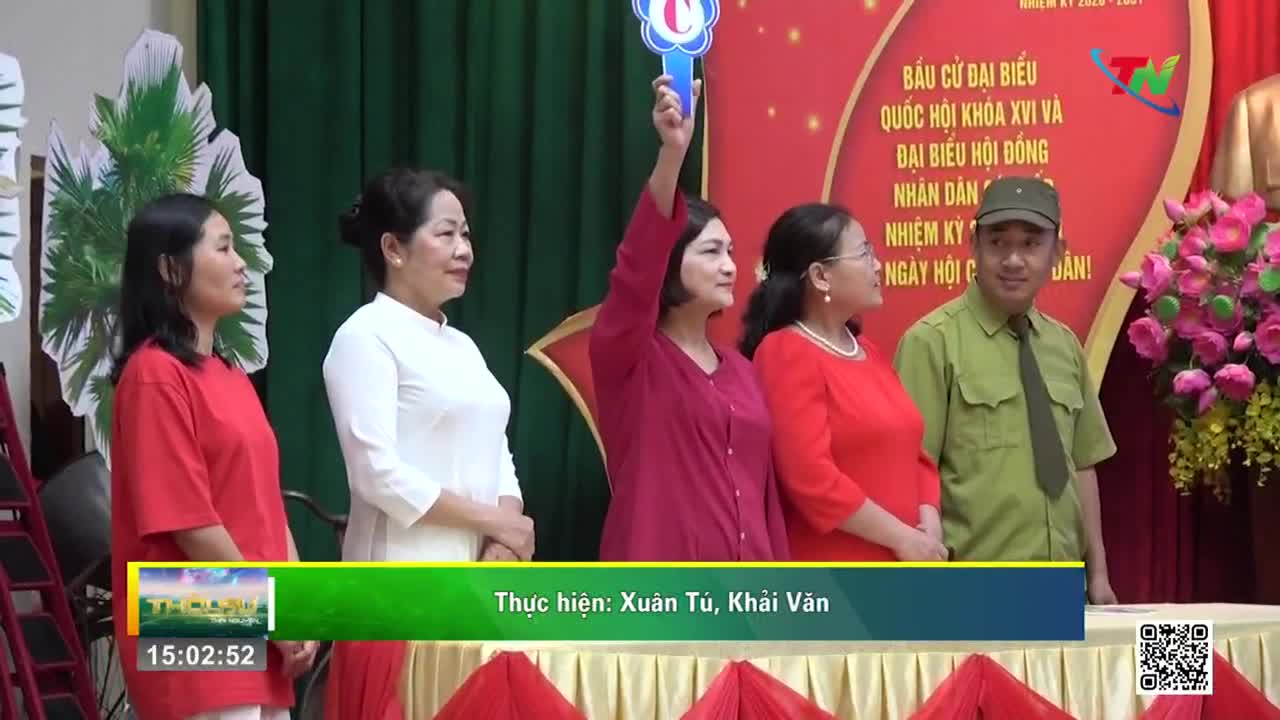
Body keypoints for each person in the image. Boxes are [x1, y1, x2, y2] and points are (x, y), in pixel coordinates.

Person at [321, 168, 535, 719]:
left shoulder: (463, 346)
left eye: (466, 234)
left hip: (479, 584)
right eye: (446, 234)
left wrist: (504, 536)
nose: (464, 248)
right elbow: (377, 475)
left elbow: (497, 449)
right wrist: (492, 523)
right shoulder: (364, 337)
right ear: (393, 247)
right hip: (400, 589)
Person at [110, 193, 315, 720]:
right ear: (170, 269)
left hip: (257, 622)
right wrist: (270, 614)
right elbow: (192, 524)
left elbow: (267, 507)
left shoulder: (230, 376)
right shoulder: (155, 374)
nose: (241, 262)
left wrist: (293, 606)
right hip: (191, 623)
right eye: (223, 247)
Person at [589, 75, 789, 561]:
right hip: (662, 602)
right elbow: (636, 266)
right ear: (668, 260)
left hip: (750, 604)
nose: (729, 265)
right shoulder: (629, 356)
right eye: (711, 251)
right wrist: (673, 153)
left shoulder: (742, 371)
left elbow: (766, 499)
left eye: (732, 252)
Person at [893, 177, 1119, 603]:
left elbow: (1083, 465)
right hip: (973, 593)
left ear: (1058, 253)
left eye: (1031, 244)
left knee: (1159, 663)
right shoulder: (931, 342)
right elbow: (909, 474)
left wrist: (1098, 576)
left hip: (1064, 590)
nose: (1013, 259)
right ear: (973, 245)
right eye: (998, 242)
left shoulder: (1064, 345)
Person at [739, 205, 947, 561]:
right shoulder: (785, 352)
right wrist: (900, 537)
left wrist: (928, 523)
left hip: (908, 562)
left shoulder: (868, 351)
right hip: (837, 571)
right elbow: (810, 477)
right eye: (865, 253)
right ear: (821, 276)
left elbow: (916, 453)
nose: (878, 265)